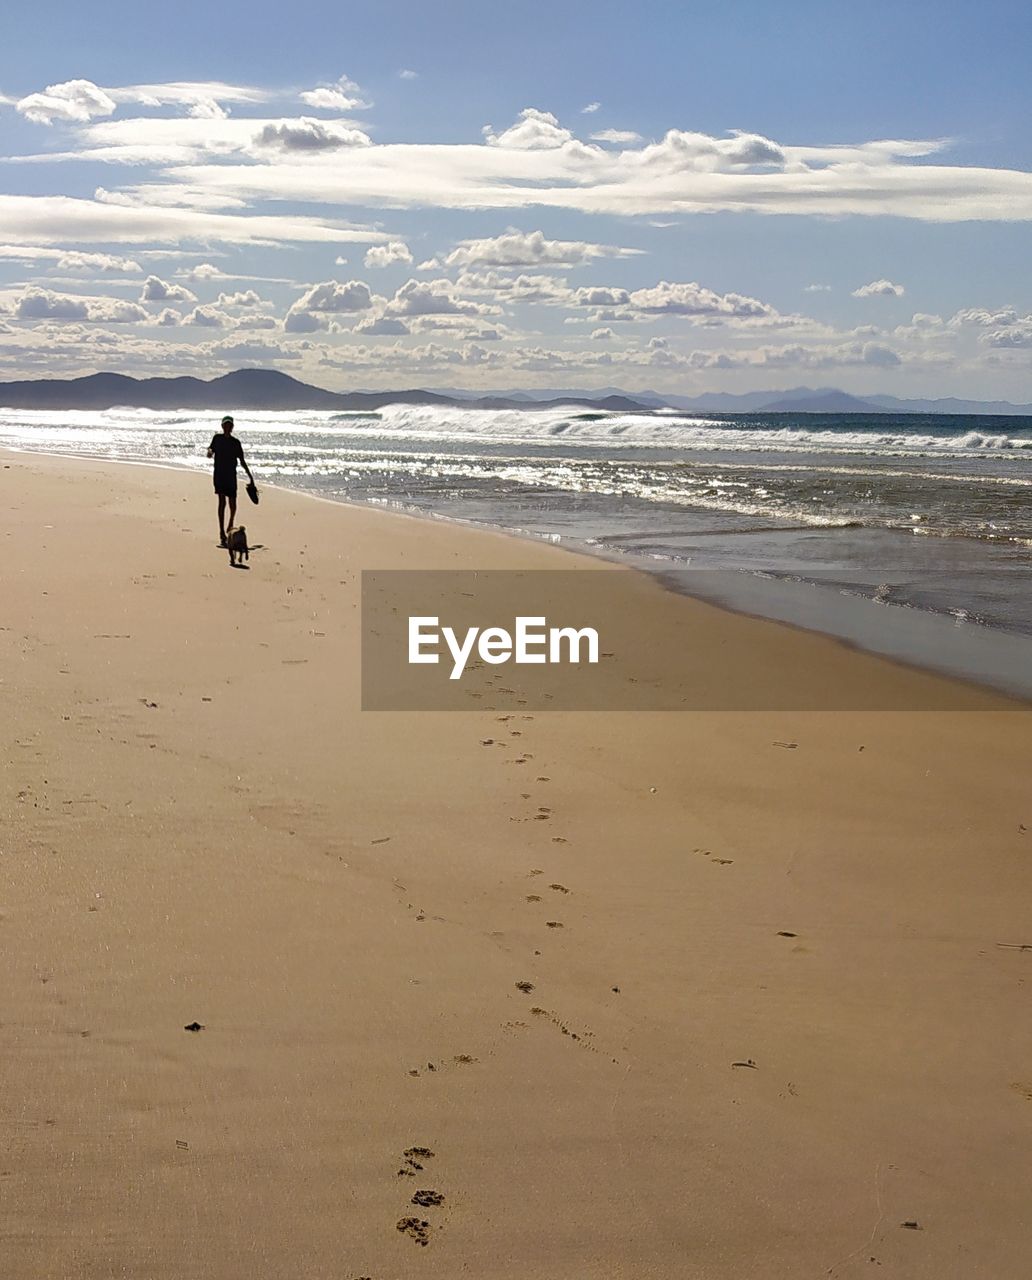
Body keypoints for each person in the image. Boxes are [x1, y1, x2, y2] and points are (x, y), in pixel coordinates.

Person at [207, 415, 254, 547]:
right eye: (225, 425)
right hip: (219, 476)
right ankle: (222, 532)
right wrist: (210, 452)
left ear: (232, 427)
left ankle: (231, 523)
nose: (227, 427)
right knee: (222, 503)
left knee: (233, 504)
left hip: (231, 477)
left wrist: (250, 477)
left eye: (230, 425)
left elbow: (242, 461)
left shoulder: (236, 443)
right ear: (222, 426)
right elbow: (211, 449)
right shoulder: (217, 439)